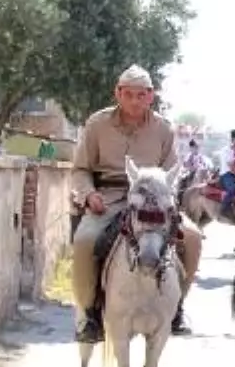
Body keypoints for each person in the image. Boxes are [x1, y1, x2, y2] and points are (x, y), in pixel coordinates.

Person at [70, 65, 203, 341]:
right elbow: (80, 169)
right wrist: (88, 194)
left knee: (192, 237)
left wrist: (170, 203)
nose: (134, 100)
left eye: (140, 95)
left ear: (150, 96)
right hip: (108, 198)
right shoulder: (97, 124)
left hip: (152, 202)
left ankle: (177, 308)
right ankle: (90, 315)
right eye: (128, 94)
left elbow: (172, 174)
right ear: (117, 93)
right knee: (85, 240)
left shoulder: (163, 129)